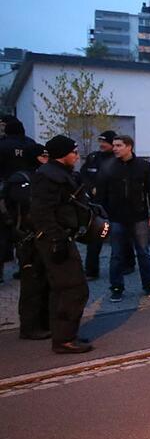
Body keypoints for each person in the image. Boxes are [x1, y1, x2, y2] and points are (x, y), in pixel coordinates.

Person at [30, 136, 93, 354]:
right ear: (62, 153)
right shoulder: (48, 177)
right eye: (73, 152)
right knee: (73, 288)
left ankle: (64, 335)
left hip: (61, 237)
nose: (76, 155)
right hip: (55, 239)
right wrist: (56, 239)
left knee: (62, 288)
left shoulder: (59, 174)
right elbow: (41, 212)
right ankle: (64, 339)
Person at [101, 135, 150, 302]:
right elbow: (102, 193)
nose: (115, 148)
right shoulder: (109, 167)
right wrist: (104, 214)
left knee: (143, 253)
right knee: (116, 255)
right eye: (114, 145)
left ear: (129, 147)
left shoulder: (143, 166)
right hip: (116, 217)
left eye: (119, 145)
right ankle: (116, 288)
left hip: (139, 217)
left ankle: (149, 286)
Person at [6, 143, 51, 339]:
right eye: (43, 156)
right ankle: (30, 327)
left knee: (44, 281)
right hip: (27, 237)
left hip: (41, 235)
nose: (46, 160)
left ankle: (43, 322)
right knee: (32, 282)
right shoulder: (21, 179)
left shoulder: (37, 177)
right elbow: (26, 205)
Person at [79, 130, 123, 280]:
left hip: (115, 204)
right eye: (101, 141)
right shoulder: (93, 158)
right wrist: (90, 187)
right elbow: (83, 174)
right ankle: (91, 270)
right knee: (95, 235)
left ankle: (127, 264)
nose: (102, 145)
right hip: (96, 205)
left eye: (105, 142)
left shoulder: (118, 160)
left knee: (120, 236)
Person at [0, 117, 37, 282]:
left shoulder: (2, 144)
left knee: (3, 231)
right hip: (29, 192)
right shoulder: (30, 143)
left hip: (6, 192)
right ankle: (26, 268)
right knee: (26, 231)